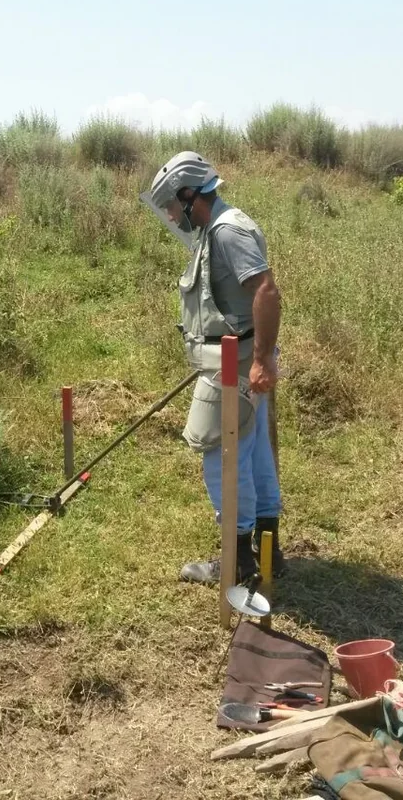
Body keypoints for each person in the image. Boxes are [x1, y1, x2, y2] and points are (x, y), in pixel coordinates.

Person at [139, 151, 284, 585]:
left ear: (188, 195)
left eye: (170, 205)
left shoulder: (226, 232)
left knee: (221, 458)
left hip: (234, 365)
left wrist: (259, 359)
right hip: (237, 361)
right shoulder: (215, 227)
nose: (169, 214)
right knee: (253, 452)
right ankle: (268, 553)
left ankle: (238, 563)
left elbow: (267, 292)